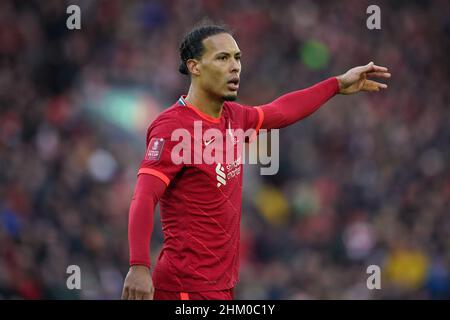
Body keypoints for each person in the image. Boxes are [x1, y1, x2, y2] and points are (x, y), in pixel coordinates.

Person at [121, 24, 390, 300]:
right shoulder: (172, 127)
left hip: (221, 287)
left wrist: (336, 84)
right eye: (223, 58)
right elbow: (144, 196)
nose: (235, 67)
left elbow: (281, 110)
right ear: (195, 67)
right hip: (185, 288)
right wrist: (139, 266)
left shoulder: (235, 118)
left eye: (237, 58)